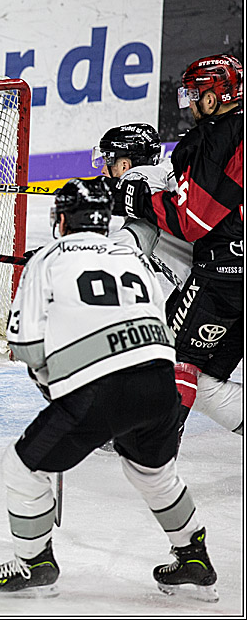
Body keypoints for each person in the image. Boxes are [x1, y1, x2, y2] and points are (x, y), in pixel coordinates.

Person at [0, 178, 218, 601]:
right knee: (153, 473)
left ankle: (34, 562)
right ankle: (193, 556)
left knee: (22, 468)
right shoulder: (133, 258)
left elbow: (26, 345)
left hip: (98, 390)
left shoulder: (46, 259)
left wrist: (52, 382)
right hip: (161, 386)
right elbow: (156, 324)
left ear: (62, 221)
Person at [108, 54, 243, 438]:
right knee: (206, 380)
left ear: (212, 98)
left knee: (169, 356)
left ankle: (152, 447)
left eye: (194, 95)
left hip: (226, 274)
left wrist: (140, 201)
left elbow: (191, 221)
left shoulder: (217, 138)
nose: (190, 104)